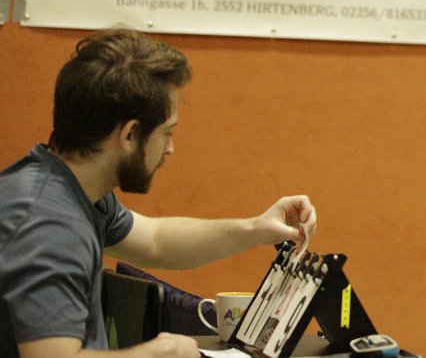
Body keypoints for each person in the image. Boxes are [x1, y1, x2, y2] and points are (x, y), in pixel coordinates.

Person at [0, 28, 318, 358]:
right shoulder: (48, 225)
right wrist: (155, 355)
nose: (170, 148)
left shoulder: (74, 190)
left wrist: (256, 229)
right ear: (130, 134)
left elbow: (156, 240)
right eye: (166, 132)